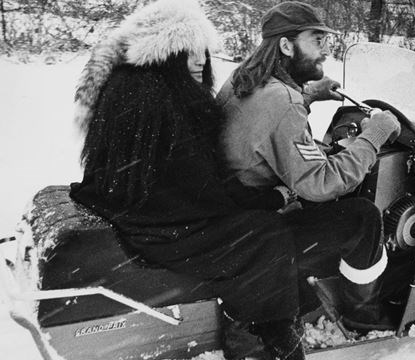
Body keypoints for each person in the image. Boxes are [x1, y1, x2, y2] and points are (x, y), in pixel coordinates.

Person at [69, 1, 310, 359]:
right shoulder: (159, 100)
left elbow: (181, 180)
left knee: (254, 225)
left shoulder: (136, 85)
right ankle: (257, 341)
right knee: (265, 235)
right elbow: (200, 192)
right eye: (189, 53)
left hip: (141, 214)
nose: (200, 62)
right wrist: (272, 199)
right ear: (166, 53)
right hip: (160, 228)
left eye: (204, 53)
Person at [217, 0, 401, 343]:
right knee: (362, 218)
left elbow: (270, 117)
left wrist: (310, 93)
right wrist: (374, 135)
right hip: (257, 232)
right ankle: (362, 314)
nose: (325, 51)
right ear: (286, 46)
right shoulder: (282, 103)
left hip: (236, 215)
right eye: (317, 41)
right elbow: (321, 183)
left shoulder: (242, 80)